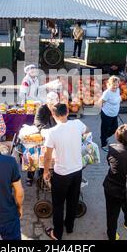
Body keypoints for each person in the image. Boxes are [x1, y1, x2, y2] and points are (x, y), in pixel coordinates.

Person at [43, 103, 88, 240]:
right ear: (68, 112)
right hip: (77, 171)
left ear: (53, 115)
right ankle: (69, 227)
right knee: (73, 200)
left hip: (61, 174)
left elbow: (47, 156)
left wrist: (45, 171)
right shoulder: (78, 123)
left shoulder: (52, 132)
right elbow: (87, 131)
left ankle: (57, 234)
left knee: (58, 204)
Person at [25, 91, 59, 186]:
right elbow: (38, 122)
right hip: (42, 135)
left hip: (54, 135)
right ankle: (30, 176)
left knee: (52, 156)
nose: (53, 106)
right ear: (48, 102)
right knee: (33, 153)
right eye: (51, 104)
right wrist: (46, 130)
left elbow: (63, 119)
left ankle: (46, 174)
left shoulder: (58, 108)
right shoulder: (42, 108)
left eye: (54, 104)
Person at [97, 76, 121, 151]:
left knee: (115, 129)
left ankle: (104, 137)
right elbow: (100, 102)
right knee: (104, 129)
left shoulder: (118, 90)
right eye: (113, 86)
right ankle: (103, 144)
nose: (115, 87)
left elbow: (117, 98)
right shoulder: (107, 93)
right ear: (109, 85)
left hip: (114, 114)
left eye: (116, 85)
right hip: (107, 114)